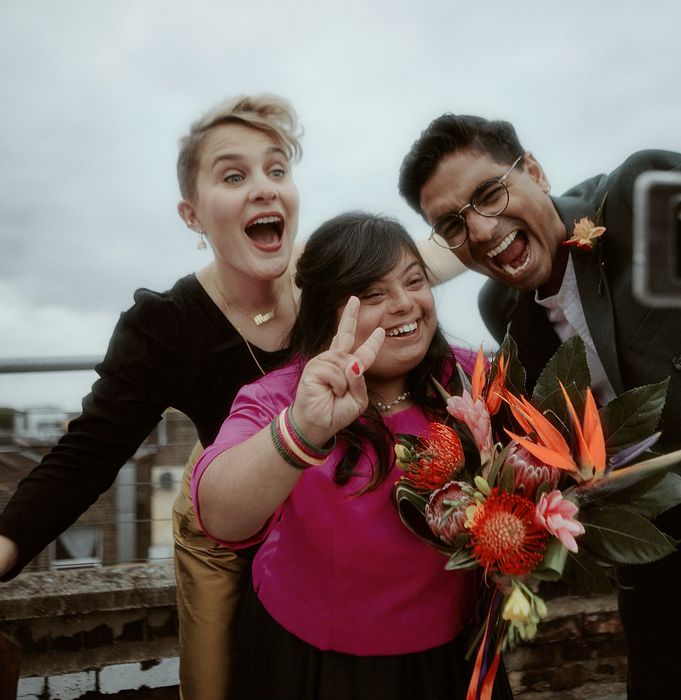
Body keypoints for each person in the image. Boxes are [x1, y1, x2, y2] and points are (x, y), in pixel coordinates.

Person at [0, 94, 465, 699]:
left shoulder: (330, 279)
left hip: (324, 527)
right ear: (191, 214)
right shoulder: (165, 325)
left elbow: (434, 261)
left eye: (277, 169)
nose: (265, 188)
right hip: (225, 527)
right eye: (233, 175)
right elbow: (85, 456)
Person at [398, 115, 681, 699]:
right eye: (452, 223)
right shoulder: (503, 306)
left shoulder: (634, 198)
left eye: (490, 194)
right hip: (654, 511)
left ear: (535, 172)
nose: (481, 229)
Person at [191, 212, 514, 700]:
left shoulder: (476, 381)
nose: (405, 305)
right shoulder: (284, 399)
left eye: (414, 282)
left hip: (455, 657)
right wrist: (303, 431)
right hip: (318, 665)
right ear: (327, 312)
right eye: (374, 295)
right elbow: (219, 515)